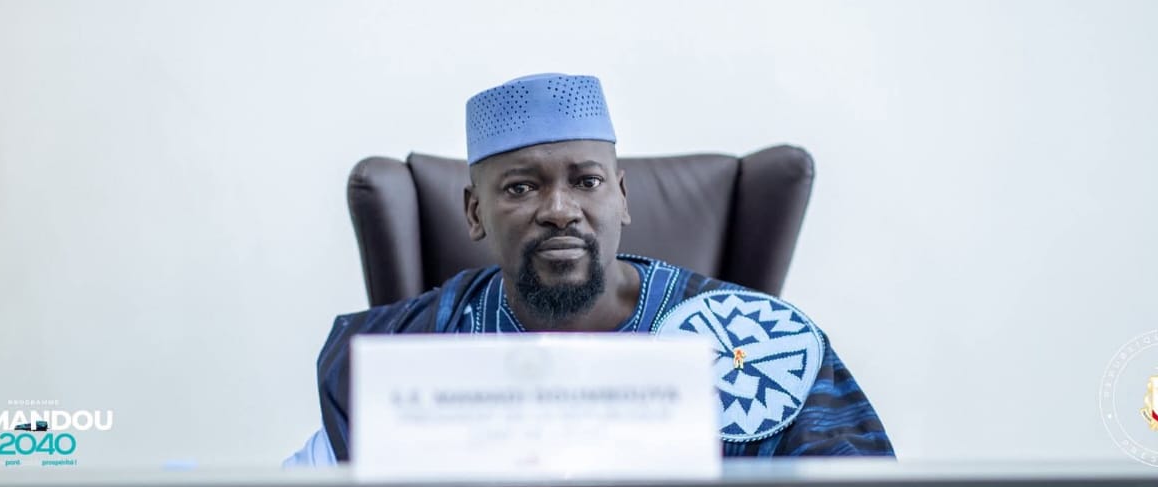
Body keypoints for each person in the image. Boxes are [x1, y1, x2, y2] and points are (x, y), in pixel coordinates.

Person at [287, 73, 893, 466]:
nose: (559, 210)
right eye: (521, 187)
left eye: (587, 181)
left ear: (621, 198)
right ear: (474, 212)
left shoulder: (762, 342)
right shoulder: (405, 347)